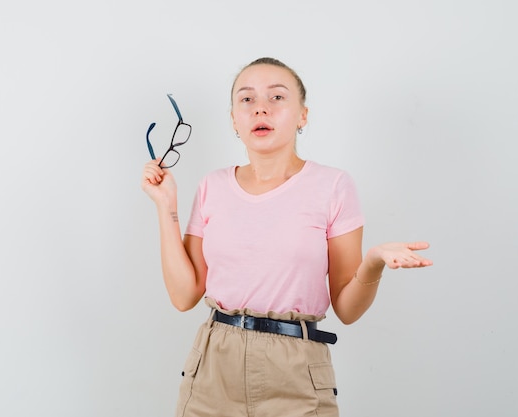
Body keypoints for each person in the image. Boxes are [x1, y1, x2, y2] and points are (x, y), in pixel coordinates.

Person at [141, 57, 433, 417]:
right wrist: (165, 206)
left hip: (296, 373)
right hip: (213, 371)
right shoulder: (211, 187)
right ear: (234, 119)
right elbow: (184, 295)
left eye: (277, 97)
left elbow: (348, 308)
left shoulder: (333, 186)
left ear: (302, 115)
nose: (260, 107)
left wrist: (372, 263)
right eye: (246, 99)